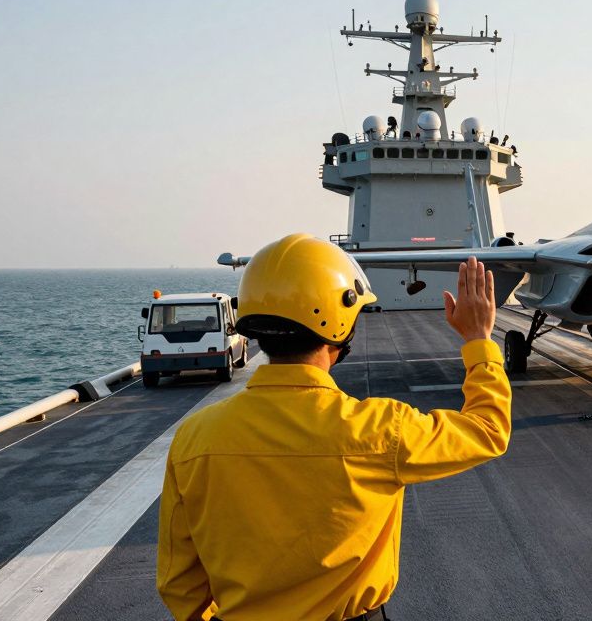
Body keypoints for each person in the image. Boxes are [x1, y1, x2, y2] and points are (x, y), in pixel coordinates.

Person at [156, 233, 511, 621]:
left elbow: (179, 584)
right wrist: (478, 340)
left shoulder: (194, 438)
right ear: (342, 328)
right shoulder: (379, 430)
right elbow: (487, 429)